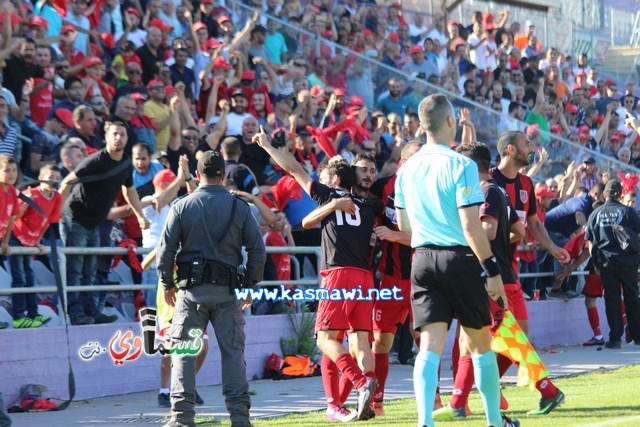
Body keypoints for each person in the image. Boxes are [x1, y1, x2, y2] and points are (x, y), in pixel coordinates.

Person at [393, 94, 517, 427]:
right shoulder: (461, 165)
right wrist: (491, 270)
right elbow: (470, 225)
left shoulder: (406, 169)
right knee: (479, 344)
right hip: (459, 258)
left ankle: (424, 422)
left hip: (421, 259)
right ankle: (494, 421)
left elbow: (404, 226)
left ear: (422, 126)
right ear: (451, 122)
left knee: (429, 346)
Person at [254, 130, 382, 422]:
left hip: (339, 274)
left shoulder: (330, 195)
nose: (319, 182)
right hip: (365, 278)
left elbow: (293, 168)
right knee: (360, 343)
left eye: (324, 177)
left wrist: (266, 146)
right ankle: (362, 396)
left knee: (324, 340)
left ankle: (362, 384)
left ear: (334, 181)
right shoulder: (368, 206)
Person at [434, 141, 564, 420]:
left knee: (506, 338)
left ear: (468, 167)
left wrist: (460, 238)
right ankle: (459, 402)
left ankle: (548, 390)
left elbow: (489, 231)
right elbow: (517, 230)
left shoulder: (488, 190)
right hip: (498, 273)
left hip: (491, 276)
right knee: (480, 340)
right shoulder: (494, 191)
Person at [156, 151, 265, 427]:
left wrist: (167, 283)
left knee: (183, 352)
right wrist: (250, 284)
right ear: (224, 174)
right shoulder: (239, 206)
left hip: (191, 292)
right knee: (232, 353)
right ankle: (240, 417)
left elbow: (165, 250)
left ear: (197, 173)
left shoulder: (181, 205)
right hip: (228, 292)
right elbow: (257, 249)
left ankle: (181, 417)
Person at [59, 121, 150, 325]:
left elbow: (130, 190)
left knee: (91, 270)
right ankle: (75, 314)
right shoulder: (95, 160)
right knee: (76, 269)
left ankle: (91, 312)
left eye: (122, 135)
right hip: (75, 219)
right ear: (107, 137)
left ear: (127, 139)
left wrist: (140, 216)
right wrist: (55, 214)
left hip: (96, 223)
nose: (119, 138)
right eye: (115, 134)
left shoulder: (126, 162)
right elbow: (67, 183)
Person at [369, 141, 422, 416]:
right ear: (404, 160)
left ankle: (434, 400)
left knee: (424, 339)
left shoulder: (429, 190)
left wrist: (396, 236)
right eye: (419, 158)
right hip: (390, 279)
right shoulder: (382, 187)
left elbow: (432, 237)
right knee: (381, 343)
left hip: (421, 279)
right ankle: (376, 401)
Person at [585, 179, 640, 348]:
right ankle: (637, 336)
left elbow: (590, 242)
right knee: (632, 297)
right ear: (621, 194)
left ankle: (615, 338)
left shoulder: (595, 214)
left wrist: (595, 262)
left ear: (604, 194)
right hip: (628, 262)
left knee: (612, 299)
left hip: (606, 263)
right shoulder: (628, 212)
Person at [9, 165, 62, 328]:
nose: (53, 181)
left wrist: (37, 240)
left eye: (56, 178)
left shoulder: (57, 197)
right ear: (40, 177)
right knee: (19, 277)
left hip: (30, 241)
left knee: (29, 277)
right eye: (50, 177)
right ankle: (18, 317)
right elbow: (14, 217)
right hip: (15, 237)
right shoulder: (30, 193)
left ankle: (33, 314)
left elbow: (48, 222)